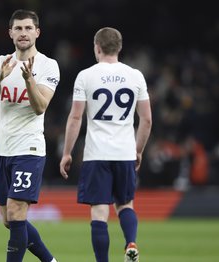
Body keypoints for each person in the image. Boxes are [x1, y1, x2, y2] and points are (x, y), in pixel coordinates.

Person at [59, 27, 152, 262]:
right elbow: (147, 119)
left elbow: (76, 117)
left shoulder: (86, 76)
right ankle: (130, 242)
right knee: (125, 204)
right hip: (124, 151)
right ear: (119, 48)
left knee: (99, 211)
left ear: (97, 47)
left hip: (96, 153)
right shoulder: (135, 75)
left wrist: (67, 152)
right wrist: (138, 150)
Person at [0, 9, 59, 262]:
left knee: (16, 212)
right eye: (18, 28)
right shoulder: (0, 62)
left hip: (29, 148)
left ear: (37, 32)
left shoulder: (48, 65)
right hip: (3, 148)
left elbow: (40, 107)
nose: (23, 33)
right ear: (10, 33)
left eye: (28, 28)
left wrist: (29, 81)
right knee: (9, 220)